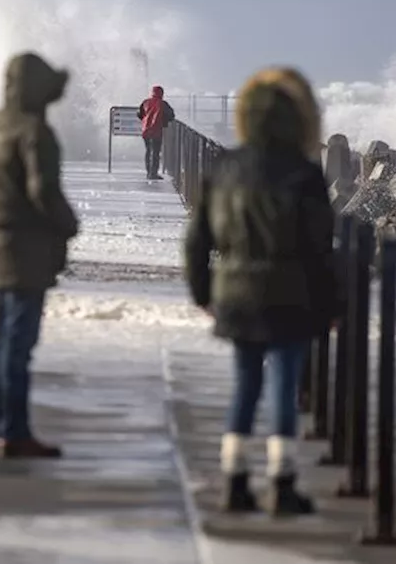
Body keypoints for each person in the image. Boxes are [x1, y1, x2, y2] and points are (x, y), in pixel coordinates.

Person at [182, 67, 340, 516]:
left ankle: (234, 481)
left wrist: (201, 292)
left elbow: (198, 240)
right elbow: (320, 250)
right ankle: (282, 484)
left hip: (236, 294)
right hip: (291, 296)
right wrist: (332, 304)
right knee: (284, 386)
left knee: (246, 385)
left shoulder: (226, 167)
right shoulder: (305, 173)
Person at [0, 52, 79, 460]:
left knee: (2, 344)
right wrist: (69, 223)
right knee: (17, 346)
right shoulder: (35, 132)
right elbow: (42, 191)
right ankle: (14, 434)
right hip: (28, 251)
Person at [137, 85, 175, 180]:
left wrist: (145, 120)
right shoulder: (163, 104)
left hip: (146, 130)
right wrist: (164, 121)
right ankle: (153, 173)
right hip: (157, 130)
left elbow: (139, 114)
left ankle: (148, 172)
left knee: (148, 151)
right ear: (161, 93)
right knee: (156, 152)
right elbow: (171, 116)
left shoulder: (145, 102)